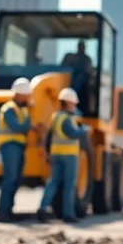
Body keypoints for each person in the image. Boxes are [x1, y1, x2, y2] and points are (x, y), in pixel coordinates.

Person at [37, 87, 85, 223]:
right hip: (69, 155)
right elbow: (73, 134)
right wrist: (84, 131)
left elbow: (49, 137)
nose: (75, 106)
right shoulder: (67, 120)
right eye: (74, 104)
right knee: (69, 185)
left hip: (56, 154)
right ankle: (68, 214)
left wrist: (47, 152)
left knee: (53, 182)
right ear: (68, 103)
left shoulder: (55, 117)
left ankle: (42, 208)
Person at [0, 77, 35, 223]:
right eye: (27, 94)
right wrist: (30, 126)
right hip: (9, 145)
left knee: (17, 179)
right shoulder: (8, 109)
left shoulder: (21, 110)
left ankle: (9, 211)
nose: (28, 97)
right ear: (20, 94)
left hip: (18, 146)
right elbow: (16, 127)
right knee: (10, 178)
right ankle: (2, 213)